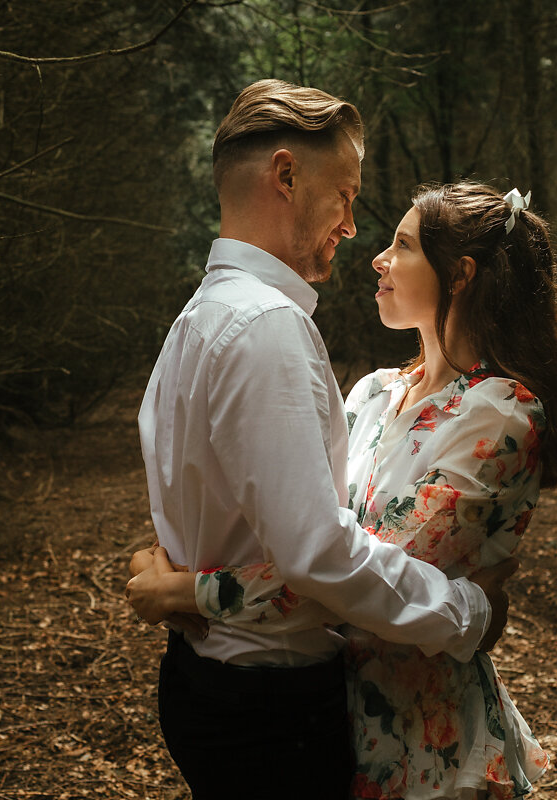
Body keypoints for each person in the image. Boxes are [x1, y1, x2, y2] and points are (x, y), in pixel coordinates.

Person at [129, 80, 516, 800]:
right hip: (268, 710)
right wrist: (466, 613)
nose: (351, 224)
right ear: (285, 176)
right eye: (345, 193)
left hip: (210, 680)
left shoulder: (200, 317)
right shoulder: (267, 327)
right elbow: (318, 552)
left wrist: (181, 587)